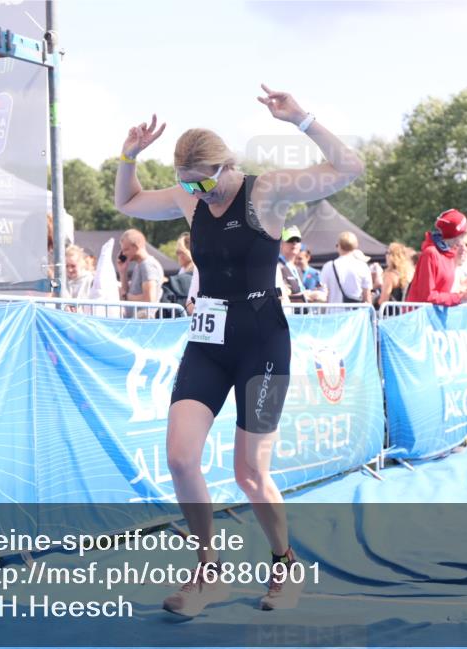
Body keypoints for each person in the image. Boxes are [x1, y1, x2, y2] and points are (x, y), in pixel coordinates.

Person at [113, 85, 363, 617]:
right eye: (187, 185)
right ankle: (209, 570)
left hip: (262, 340)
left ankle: (284, 560)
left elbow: (350, 168)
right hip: (209, 339)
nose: (197, 195)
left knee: (250, 472)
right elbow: (127, 202)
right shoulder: (188, 196)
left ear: (225, 166)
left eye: (203, 182)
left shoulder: (266, 191)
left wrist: (303, 118)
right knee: (181, 457)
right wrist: (130, 155)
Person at [406, 208, 467, 309]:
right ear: (454, 235)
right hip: (419, 319)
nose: (465, 237)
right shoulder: (431, 254)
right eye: (463, 234)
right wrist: (459, 297)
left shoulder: (449, 254)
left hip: (435, 318)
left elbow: (452, 292)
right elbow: (427, 296)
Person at [117, 228, 164, 317]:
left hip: (143, 322)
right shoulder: (140, 265)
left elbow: (149, 299)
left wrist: (126, 297)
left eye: (126, 249)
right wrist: (123, 272)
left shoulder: (148, 265)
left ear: (137, 246)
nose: (123, 254)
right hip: (137, 321)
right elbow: (126, 291)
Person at [321, 231, 372, 304]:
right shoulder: (363, 267)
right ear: (356, 246)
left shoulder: (328, 266)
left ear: (339, 246)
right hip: (356, 313)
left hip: (333, 312)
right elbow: (367, 296)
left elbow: (324, 293)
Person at [377, 242, 414, 306]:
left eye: (387, 252)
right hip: (404, 312)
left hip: (390, 314)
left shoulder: (390, 275)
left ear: (393, 256)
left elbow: (383, 301)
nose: (386, 255)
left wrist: (374, 300)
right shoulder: (409, 273)